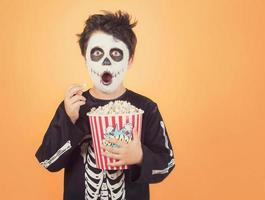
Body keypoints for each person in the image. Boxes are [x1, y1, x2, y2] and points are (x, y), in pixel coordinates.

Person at [35, 10, 175, 200]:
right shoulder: (73, 107)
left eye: (116, 53)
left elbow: (167, 163)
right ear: (86, 59)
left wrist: (140, 156)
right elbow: (47, 161)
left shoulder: (146, 109)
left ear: (130, 60)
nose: (106, 61)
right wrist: (69, 120)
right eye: (97, 53)